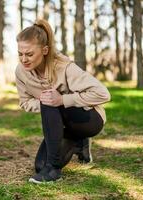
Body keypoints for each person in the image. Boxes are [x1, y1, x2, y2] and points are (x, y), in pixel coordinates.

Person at [15, 19, 111, 184]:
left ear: (45, 50)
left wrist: (62, 99)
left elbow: (103, 93)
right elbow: (25, 102)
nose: (24, 59)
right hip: (62, 125)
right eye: (20, 54)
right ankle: (79, 144)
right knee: (39, 165)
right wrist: (46, 102)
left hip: (89, 118)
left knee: (50, 100)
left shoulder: (64, 67)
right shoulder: (21, 72)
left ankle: (53, 170)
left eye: (29, 54)